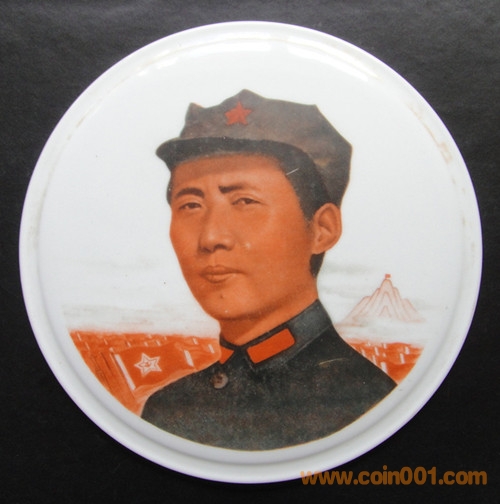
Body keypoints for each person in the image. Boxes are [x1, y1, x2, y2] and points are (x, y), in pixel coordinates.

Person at [142, 90, 396, 450]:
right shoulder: (167, 409)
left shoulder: (367, 405)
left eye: (245, 201)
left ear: (322, 229)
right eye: (191, 205)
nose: (211, 237)